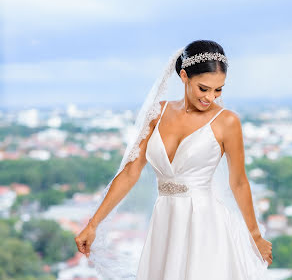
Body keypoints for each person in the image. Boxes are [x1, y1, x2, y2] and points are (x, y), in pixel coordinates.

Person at [74, 40, 273, 279]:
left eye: (218, 89)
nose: (210, 97)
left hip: (205, 223)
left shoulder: (227, 121)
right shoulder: (156, 113)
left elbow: (239, 182)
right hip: (165, 222)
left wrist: (255, 236)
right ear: (183, 76)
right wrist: (93, 224)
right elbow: (129, 173)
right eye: (204, 88)